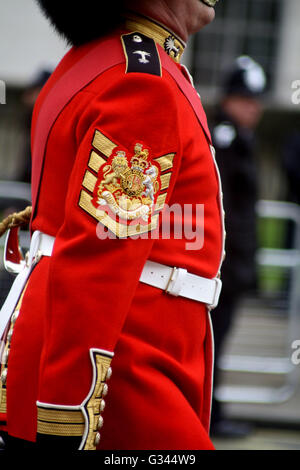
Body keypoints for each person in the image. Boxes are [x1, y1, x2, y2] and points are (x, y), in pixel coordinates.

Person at [0, 0, 224, 450]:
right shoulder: (142, 82)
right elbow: (99, 255)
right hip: (123, 363)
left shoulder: (90, 61)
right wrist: (68, 413)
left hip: (80, 341)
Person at [210, 56, 266, 437]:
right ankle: (208, 417)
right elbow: (220, 206)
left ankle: (212, 413)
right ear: (229, 99)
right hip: (221, 266)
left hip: (234, 264)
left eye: (256, 101)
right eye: (245, 99)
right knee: (210, 344)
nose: (253, 108)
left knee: (217, 342)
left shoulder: (242, 140)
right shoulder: (223, 139)